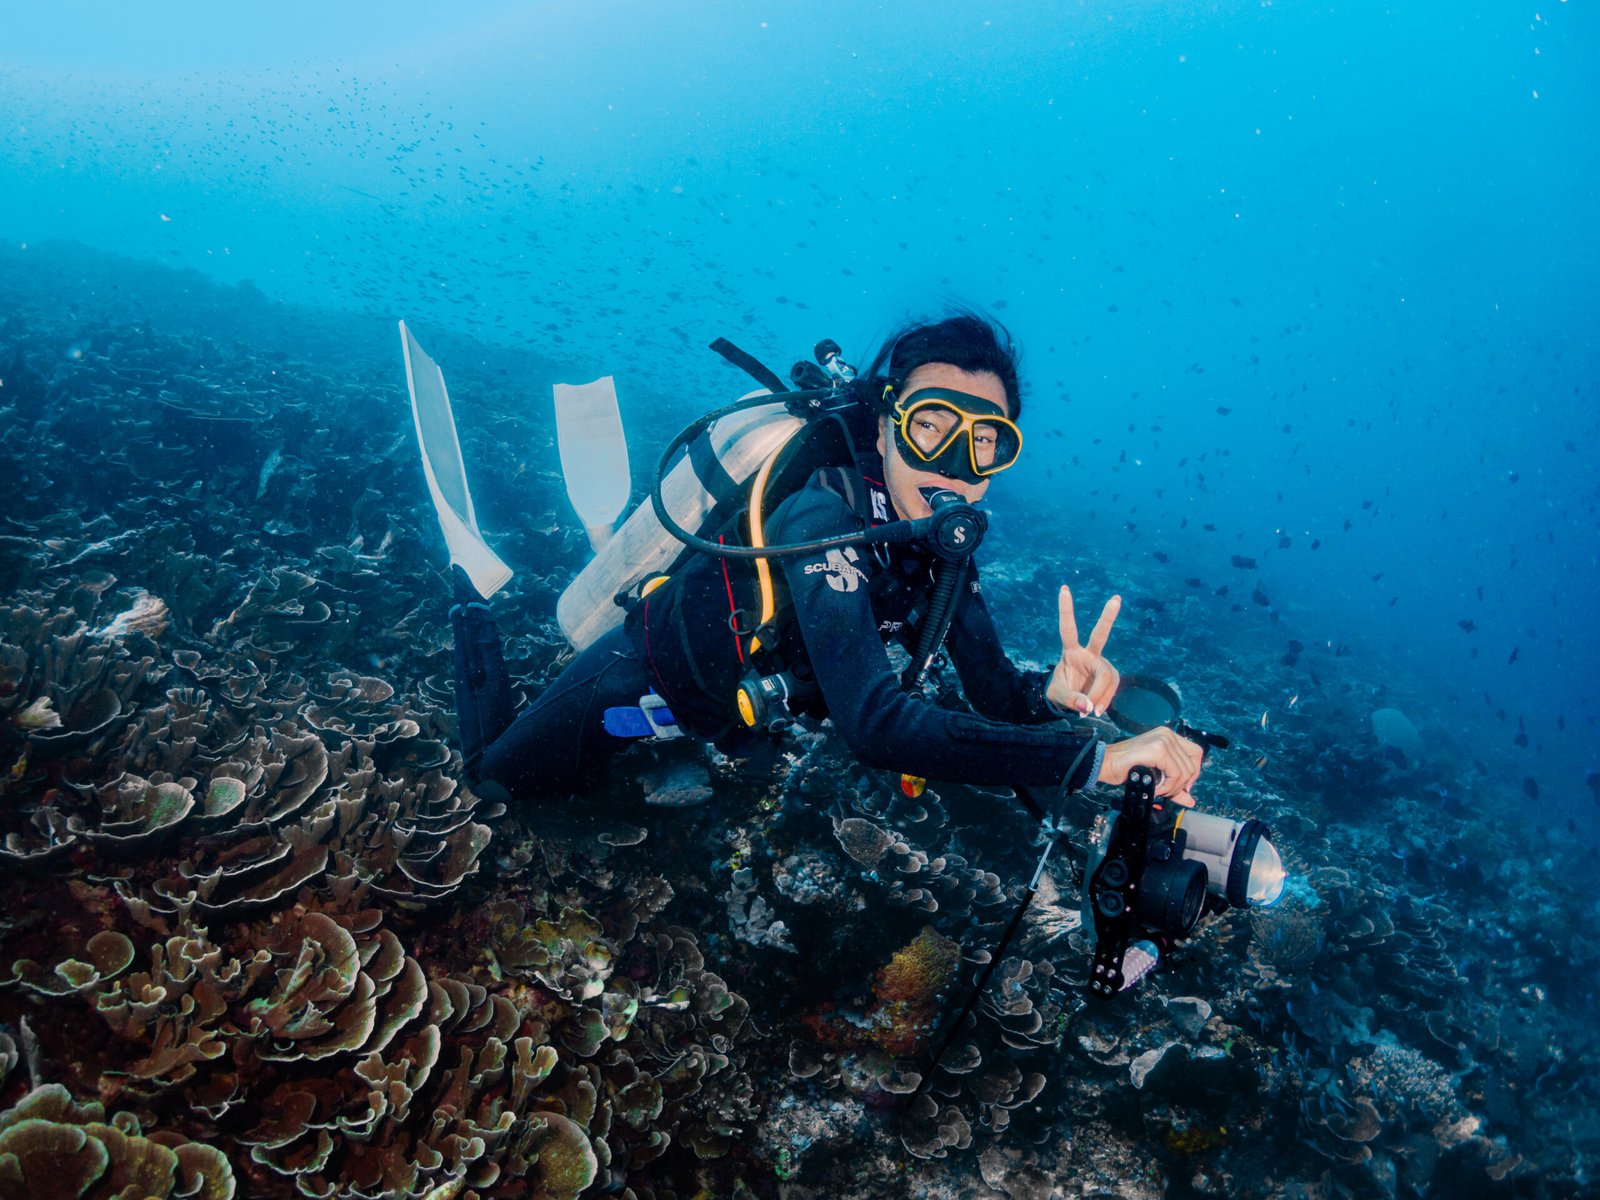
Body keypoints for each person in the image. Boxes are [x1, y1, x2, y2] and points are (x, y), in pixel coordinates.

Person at [449, 312, 1205, 813]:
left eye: (984, 443)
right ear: (882, 428)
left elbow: (996, 693)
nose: (954, 466)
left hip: (731, 713)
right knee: (494, 785)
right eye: (931, 426)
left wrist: (1050, 694)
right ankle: (471, 600)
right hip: (644, 673)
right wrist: (1092, 763)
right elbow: (877, 725)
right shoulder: (820, 514)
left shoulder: (941, 549)